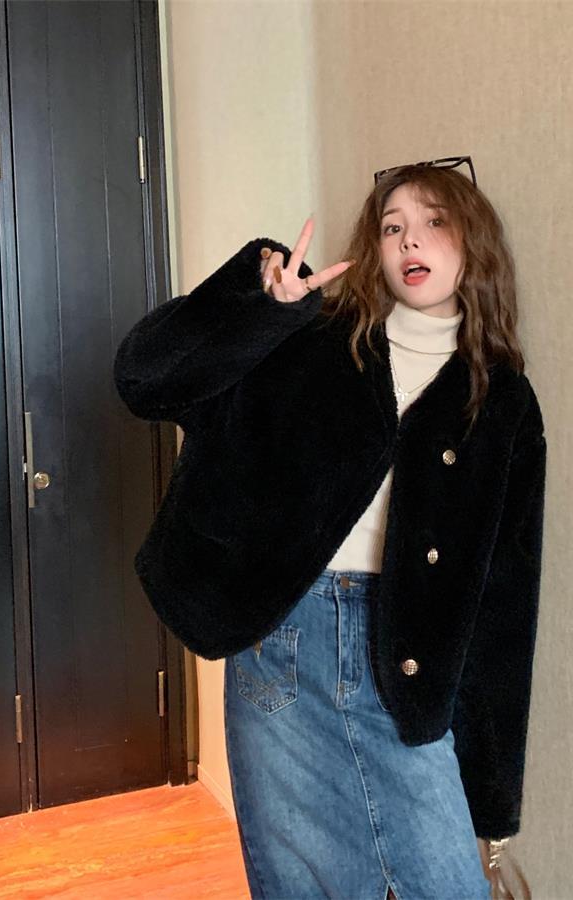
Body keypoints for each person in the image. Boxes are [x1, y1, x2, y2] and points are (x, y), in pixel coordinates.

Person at [114, 157, 547, 899]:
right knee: (302, 883)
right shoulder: (315, 339)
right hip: (284, 644)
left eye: (434, 222)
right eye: (392, 227)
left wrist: (492, 798)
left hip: (409, 661)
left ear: (474, 242)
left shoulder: (502, 399)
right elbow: (145, 380)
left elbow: (506, 605)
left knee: (447, 883)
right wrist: (262, 308)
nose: (410, 241)